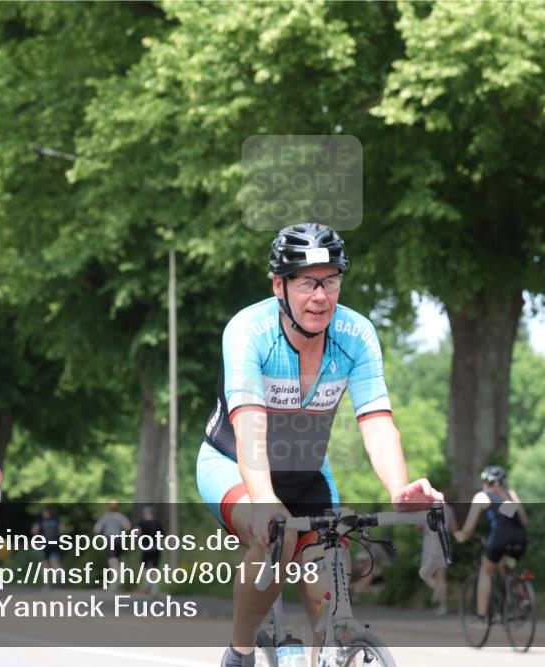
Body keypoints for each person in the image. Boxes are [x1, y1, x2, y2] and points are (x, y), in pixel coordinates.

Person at [195, 223, 443, 667]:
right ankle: (240, 650)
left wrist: (400, 489)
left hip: (308, 471)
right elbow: (250, 429)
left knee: (329, 576)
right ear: (279, 285)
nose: (321, 296)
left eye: (331, 281)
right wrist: (265, 499)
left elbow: (377, 421)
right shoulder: (247, 331)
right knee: (275, 537)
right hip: (233, 463)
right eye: (308, 282)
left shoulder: (357, 334)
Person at [454, 466, 528, 621]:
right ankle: (520, 598)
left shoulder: (482, 496)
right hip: (520, 538)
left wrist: (461, 536)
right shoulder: (510, 494)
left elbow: (468, 528)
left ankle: (481, 615)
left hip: (501, 538)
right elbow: (523, 520)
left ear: (486, 481)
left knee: (486, 570)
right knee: (505, 567)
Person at [420, 501, 457, 617]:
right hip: (444, 540)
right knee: (442, 577)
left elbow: (420, 525)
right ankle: (443, 607)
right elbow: (454, 528)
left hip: (430, 541)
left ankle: (436, 588)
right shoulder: (449, 509)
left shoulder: (427, 508)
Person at [94, 499, 132, 581]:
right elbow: (128, 526)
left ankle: (117, 574)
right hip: (119, 539)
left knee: (112, 558)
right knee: (117, 558)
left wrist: (100, 536)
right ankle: (114, 580)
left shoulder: (105, 516)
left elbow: (96, 529)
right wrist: (124, 534)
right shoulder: (120, 516)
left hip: (110, 539)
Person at [134, 506, 164, 596]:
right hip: (156, 547)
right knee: (155, 568)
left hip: (145, 547)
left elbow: (137, 532)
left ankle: (147, 581)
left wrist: (135, 540)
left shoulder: (141, 522)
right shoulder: (157, 522)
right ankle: (154, 587)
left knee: (144, 567)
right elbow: (162, 534)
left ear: (145, 513)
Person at [31, 507, 63, 577]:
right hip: (54, 543)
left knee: (45, 563)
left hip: (45, 544)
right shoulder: (56, 520)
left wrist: (37, 540)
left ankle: (47, 583)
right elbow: (61, 530)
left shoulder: (40, 521)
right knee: (53, 562)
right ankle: (59, 576)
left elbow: (34, 531)